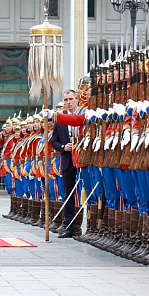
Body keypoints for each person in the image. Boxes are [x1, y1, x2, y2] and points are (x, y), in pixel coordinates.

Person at [51, 89, 81, 238]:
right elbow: (54, 142)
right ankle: (70, 226)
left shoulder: (83, 114)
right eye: (66, 100)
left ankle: (83, 225)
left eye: (71, 99)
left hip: (82, 158)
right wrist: (63, 147)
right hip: (67, 159)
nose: (68, 102)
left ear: (77, 99)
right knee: (68, 194)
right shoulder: (60, 120)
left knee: (84, 193)